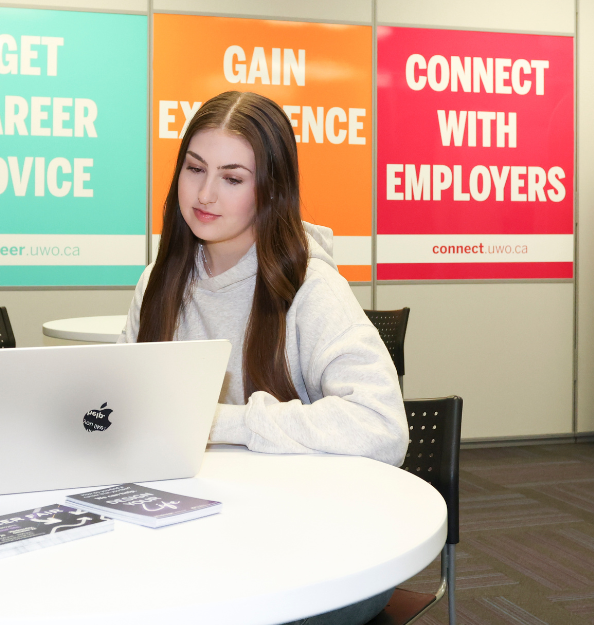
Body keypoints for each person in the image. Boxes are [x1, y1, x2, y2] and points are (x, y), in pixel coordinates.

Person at [120, 91, 408, 625]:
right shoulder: (159, 280)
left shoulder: (309, 286)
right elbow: (126, 403)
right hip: (208, 530)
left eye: (232, 178)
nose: (205, 193)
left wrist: (223, 422)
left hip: (320, 550)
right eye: (194, 169)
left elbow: (382, 426)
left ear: (270, 188)